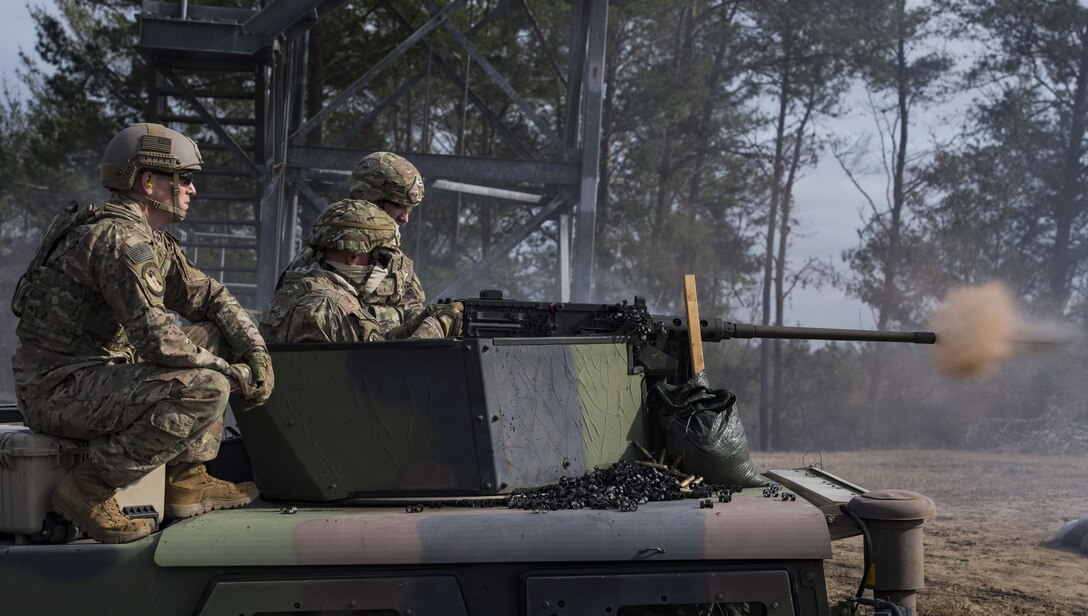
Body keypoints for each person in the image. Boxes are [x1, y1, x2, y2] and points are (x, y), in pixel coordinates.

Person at [10, 123, 274, 544]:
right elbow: (157, 339)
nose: (191, 190)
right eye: (184, 178)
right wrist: (232, 372)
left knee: (215, 334)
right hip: (57, 388)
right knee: (207, 387)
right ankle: (90, 487)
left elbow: (209, 297)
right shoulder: (120, 240)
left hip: (96, 375)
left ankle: (186, 479)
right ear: (149, 182)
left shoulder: (150, 239)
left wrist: (254, 350)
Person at [261, 199, 461, 343]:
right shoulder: (334, 308)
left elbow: (377, 344)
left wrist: (424, 319)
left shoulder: (297, 289)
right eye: (382, 258)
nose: (384, 268)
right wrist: (439, 325)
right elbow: (392, 370)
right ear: (353, 257)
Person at [346, 151, 430, 332]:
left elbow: (413, 313)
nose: (405, 218)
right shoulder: (328, 255)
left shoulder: (399, 265)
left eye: (409, 209)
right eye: (398, 206)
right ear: (372, 201)